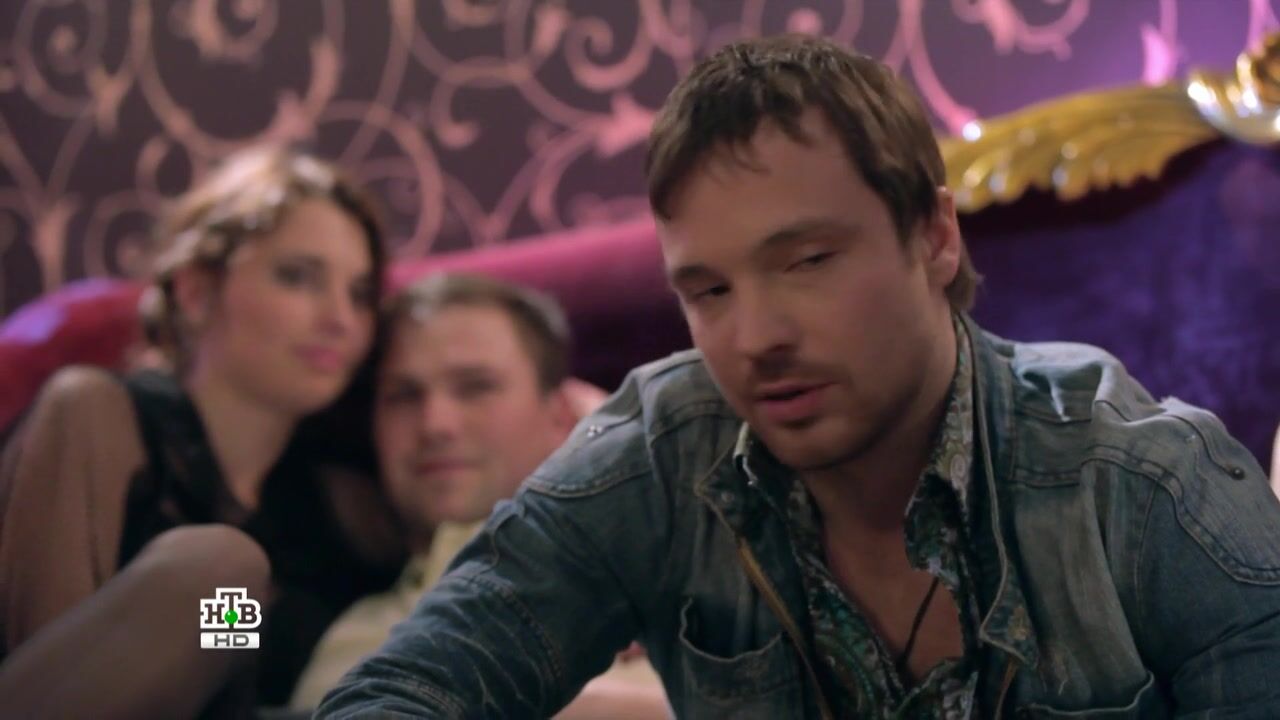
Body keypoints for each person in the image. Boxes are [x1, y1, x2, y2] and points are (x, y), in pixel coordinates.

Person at [316, 35, 1280, 718]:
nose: (755, 337)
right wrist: (236, 613)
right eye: (707, 290)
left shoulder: (1142, 482)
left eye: (809, 261)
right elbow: (392, 683)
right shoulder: (288, 548)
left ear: (934, 236)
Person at [0, 147, 405, 718]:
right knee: (220, 570)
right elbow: (48, 658)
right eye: (298, 277)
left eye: (360, 295)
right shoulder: (98, 416)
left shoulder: (341, 506)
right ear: (194, 292)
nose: (341, 319)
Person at [291, 274, 669, 718]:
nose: (436, 424)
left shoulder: (671, 576)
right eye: (403, 395)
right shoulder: (339, 636)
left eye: (476, 386)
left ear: (560, 414)